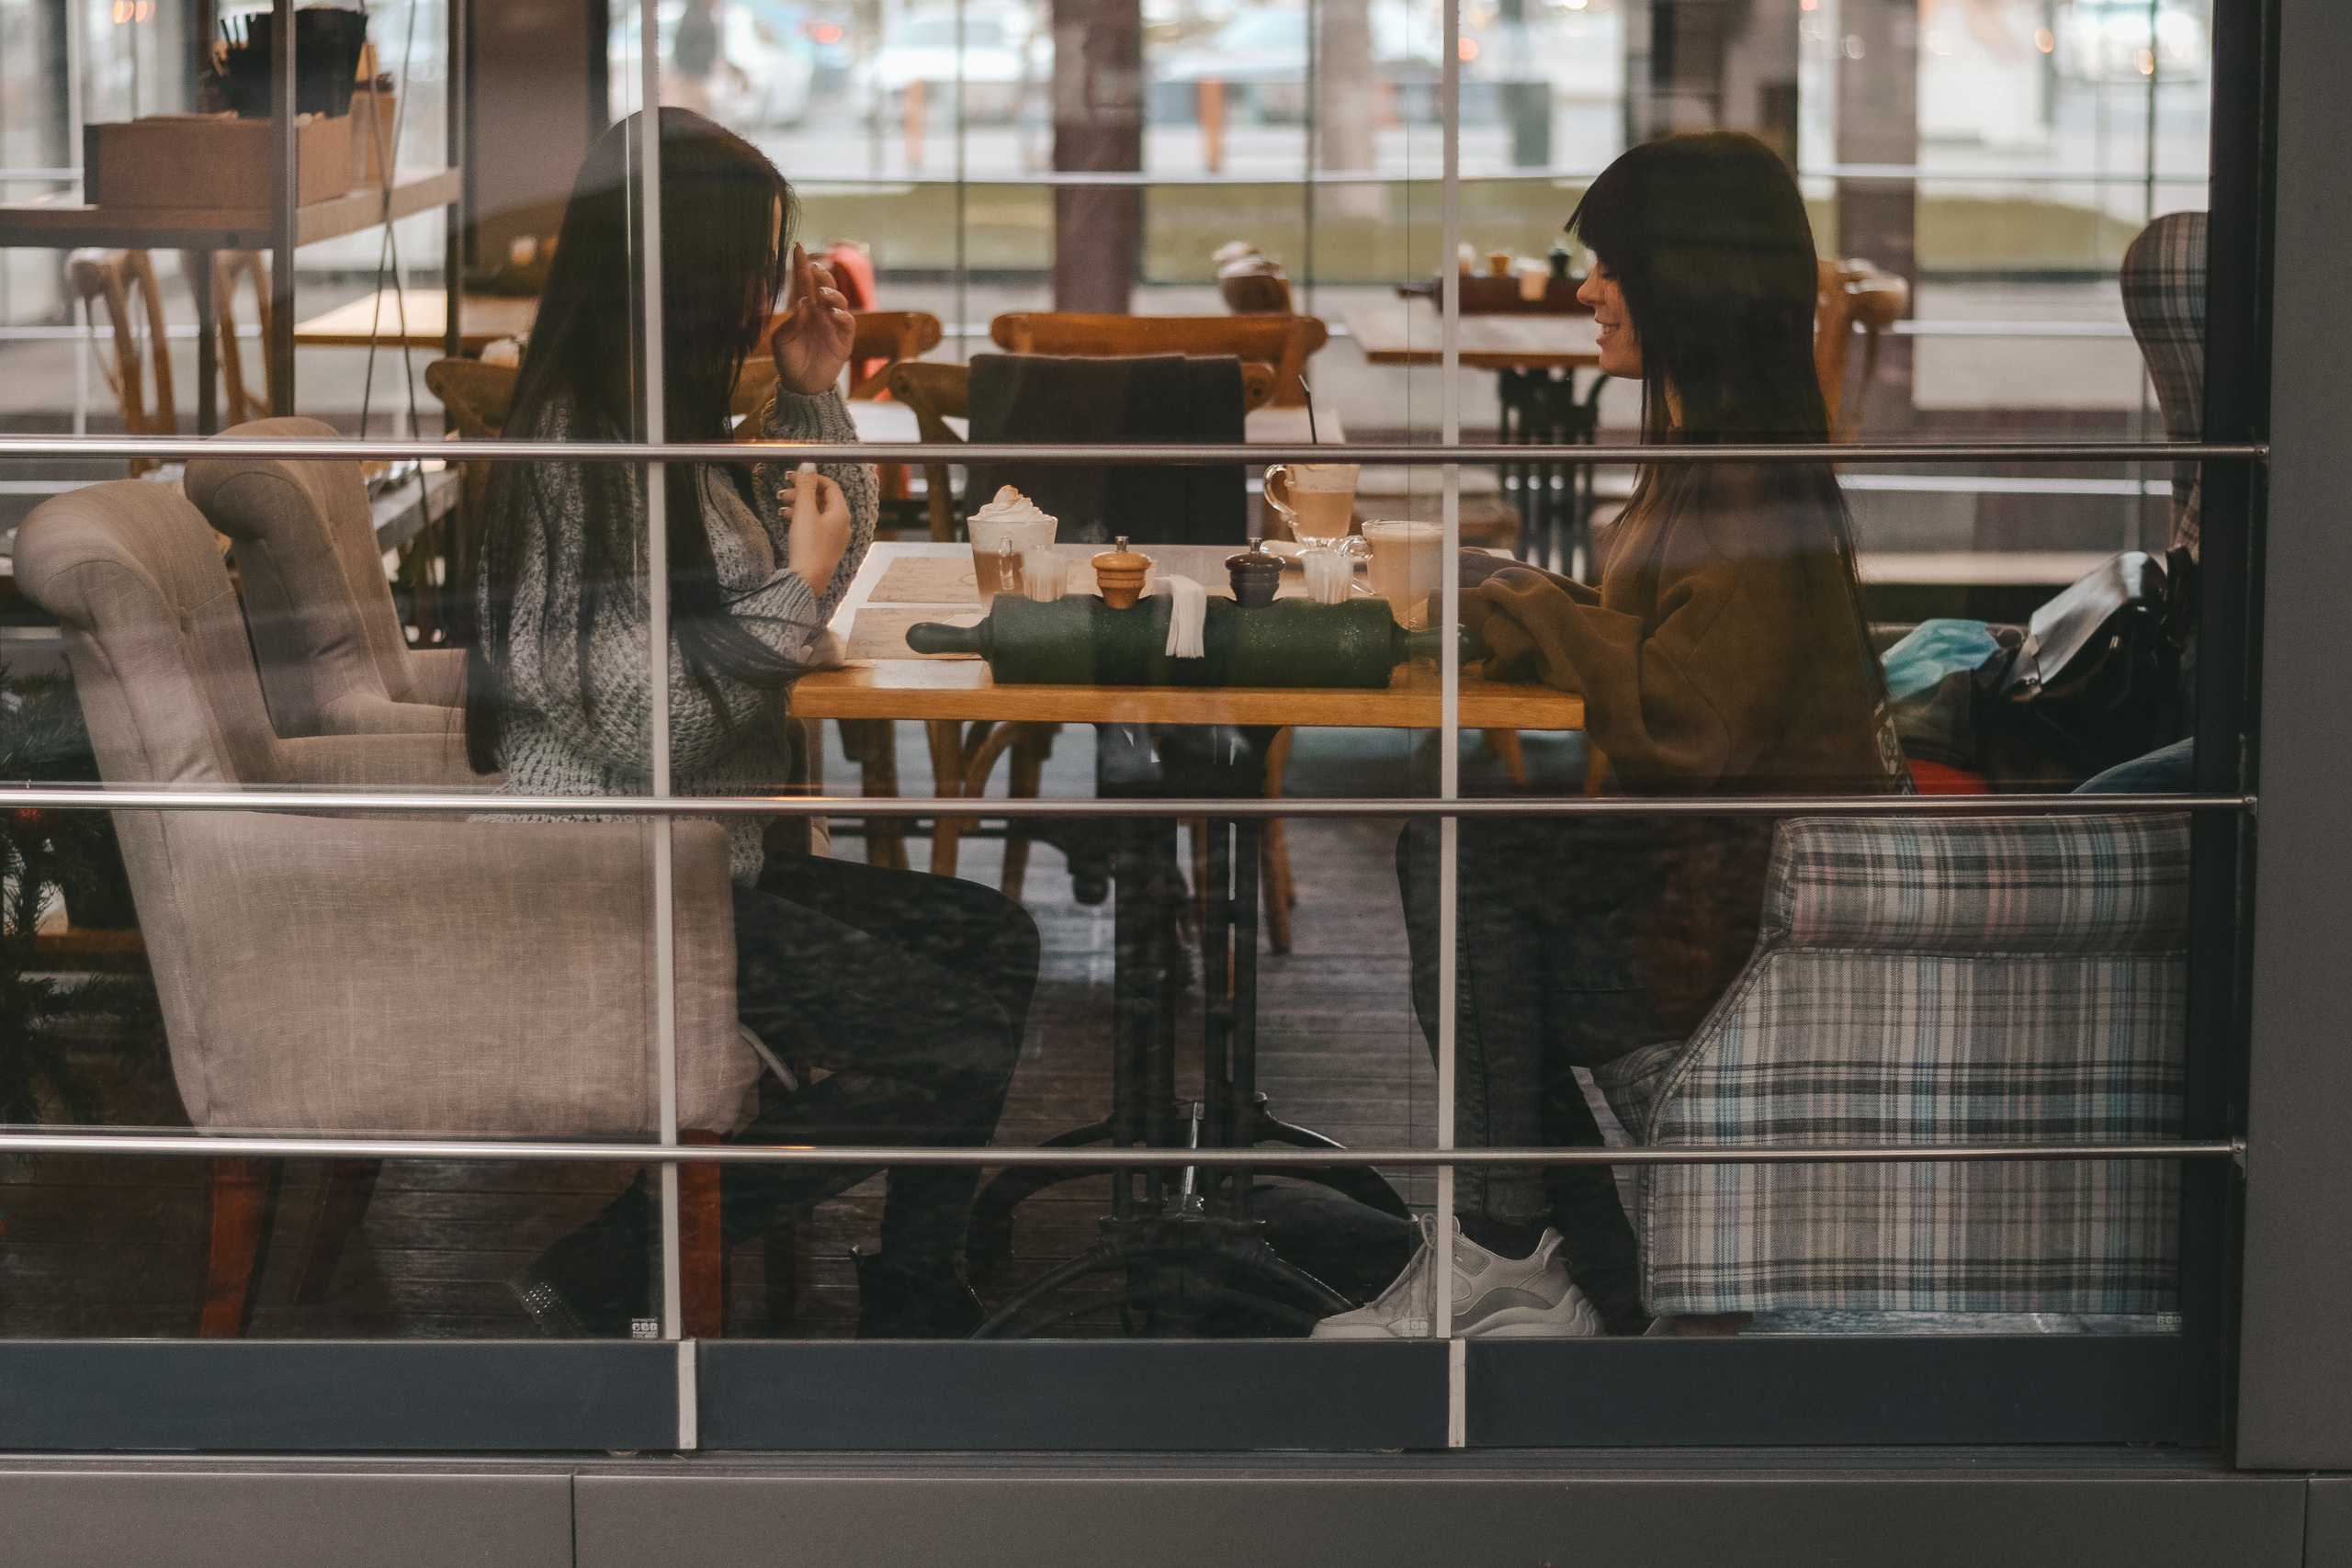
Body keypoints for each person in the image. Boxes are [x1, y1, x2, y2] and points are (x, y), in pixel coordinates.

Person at [1315, 132, 1905, 1343]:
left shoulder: (1741, 479)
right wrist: (1533, 592)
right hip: (1697, 889)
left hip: (1722, 931)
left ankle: (1518, 1254)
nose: (1587, 289)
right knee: (1472, 855)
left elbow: (1690, 719)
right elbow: (1675, 656)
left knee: (1468, 866)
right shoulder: (1716, 455)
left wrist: (1529, 606)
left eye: (1612, 266)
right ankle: (1536, 1259)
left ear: (1687, 285)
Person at [468, 108, 1037, 1339]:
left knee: (993, 945)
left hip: (702, 866)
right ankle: (619, 1256)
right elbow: (642, 720)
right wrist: (793, 595)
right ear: (681, 269)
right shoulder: (588, 451)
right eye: (753, 263)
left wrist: (812, 399)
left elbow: (811, 569)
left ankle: (915, 1289)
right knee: (951, 1042)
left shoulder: (651, 418)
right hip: (627, 890)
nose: (764, 296)